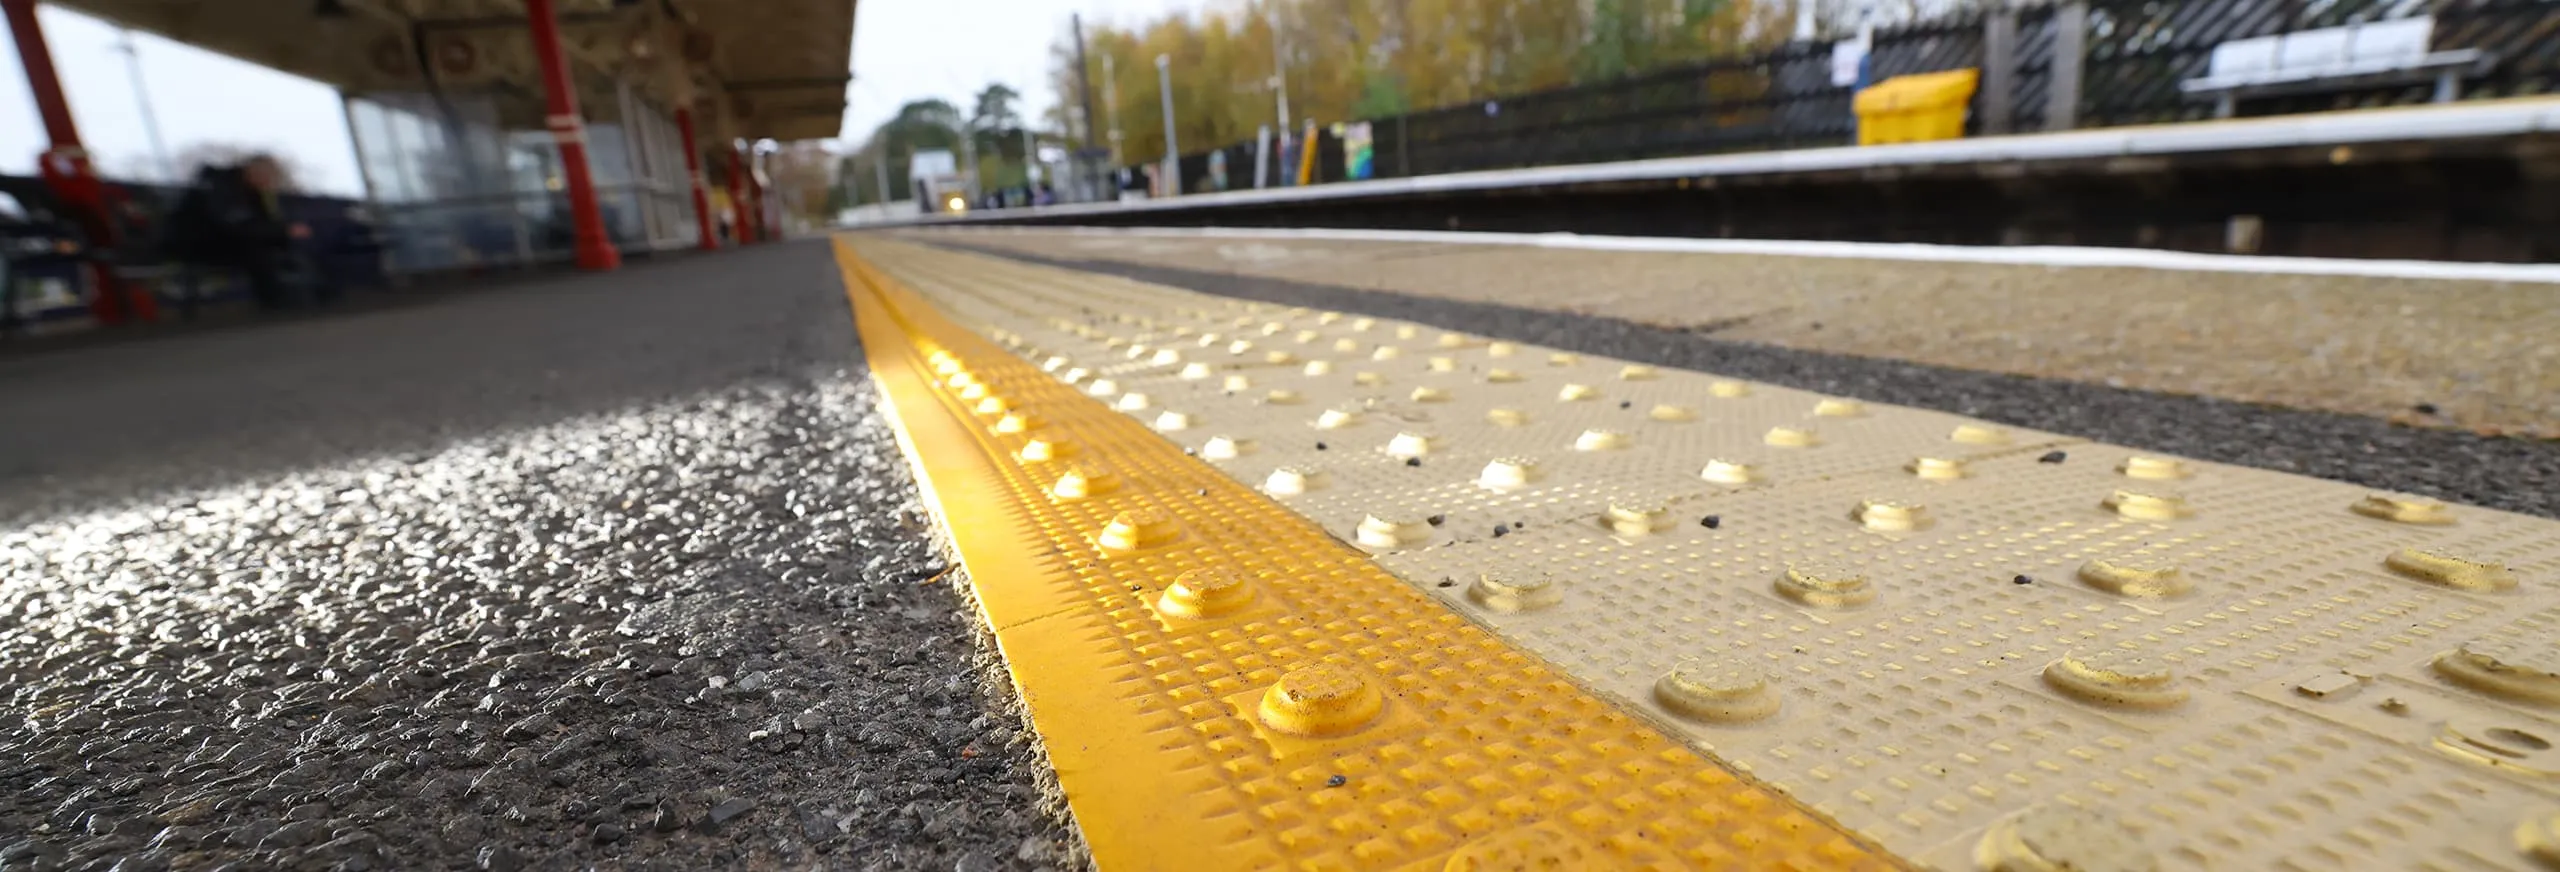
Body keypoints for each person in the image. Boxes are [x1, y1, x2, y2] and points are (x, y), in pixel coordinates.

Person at [165, 155, 313, 311]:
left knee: (281, 243)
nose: (270, 182)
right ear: (253, 172)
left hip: (227, 240)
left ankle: (296, 295)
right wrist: (283, 231)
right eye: (269, 176)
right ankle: (274, 300)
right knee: (257, 247)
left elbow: (259, 223)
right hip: (197, 243)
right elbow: (235, 225)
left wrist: (286, 232)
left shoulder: (250, 191)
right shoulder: (221, 187)